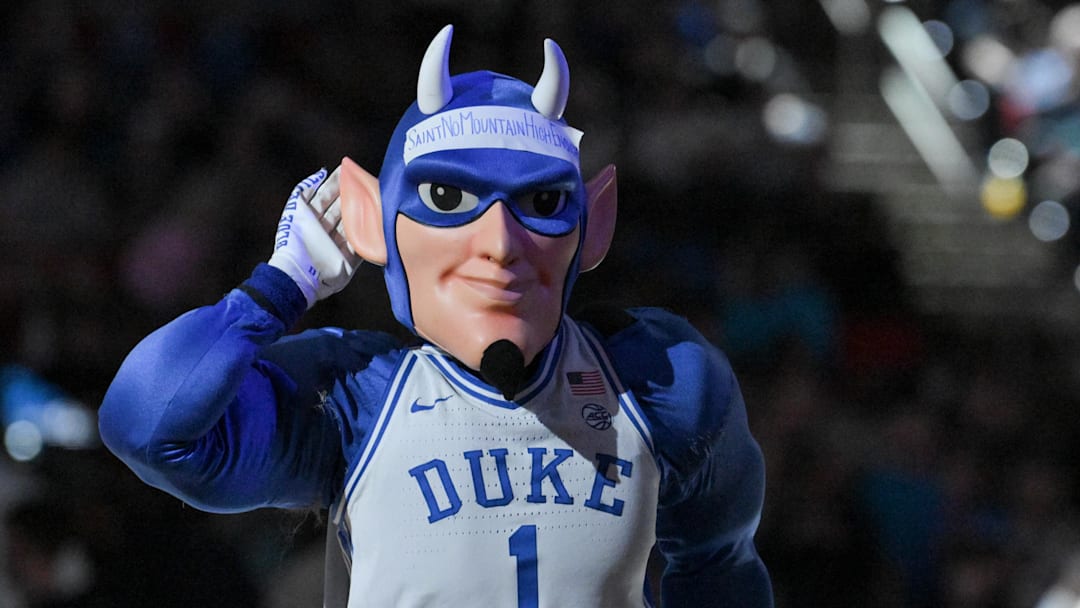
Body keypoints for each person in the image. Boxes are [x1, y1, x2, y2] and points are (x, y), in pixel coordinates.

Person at [99, 25, 772, 607]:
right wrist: (280, 286)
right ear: (367, 219)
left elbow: (719, 568)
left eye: (540, 202)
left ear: (594, 224)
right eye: (448, 198)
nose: (501, 244)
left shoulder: (663, 380)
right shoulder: (354, 395)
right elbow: (148, 426)